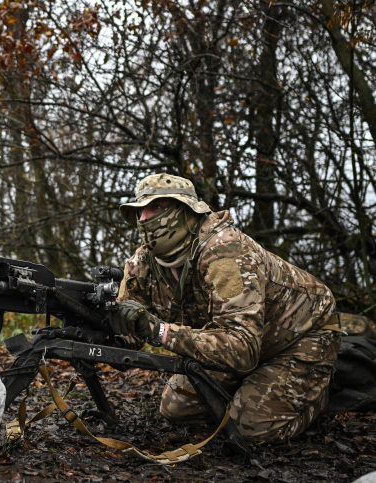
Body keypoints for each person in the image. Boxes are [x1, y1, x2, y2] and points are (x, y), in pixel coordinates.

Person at [109, 174, 341, 444]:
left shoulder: (226, 252)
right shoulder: (144, 262)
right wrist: (101, 327)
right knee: (176, 409)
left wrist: (159, 331)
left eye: (157, 207)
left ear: (185, 211)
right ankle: (256, 387)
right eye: (139, 211)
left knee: (249, 428)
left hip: (302, 336)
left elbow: (243, 347)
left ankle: (317, 393)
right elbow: (130, 326)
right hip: (238, 340)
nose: (144, 218)